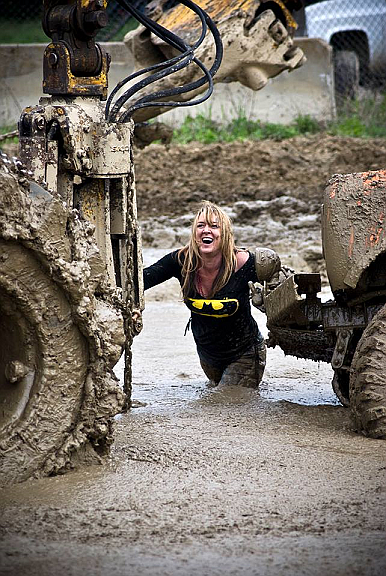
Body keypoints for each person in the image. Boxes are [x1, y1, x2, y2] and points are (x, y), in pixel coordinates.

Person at [142, 200, 267, 388]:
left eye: (214, 226)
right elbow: (140, 281)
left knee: (227, 402)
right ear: (194, 232)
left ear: (225, 234)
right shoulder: (181, 261)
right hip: (208, 357)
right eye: (201, 225)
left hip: (245, 353)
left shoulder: (245, 263)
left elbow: (282, 289)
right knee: (216, 402)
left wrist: (266, 302)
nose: (206, 230)